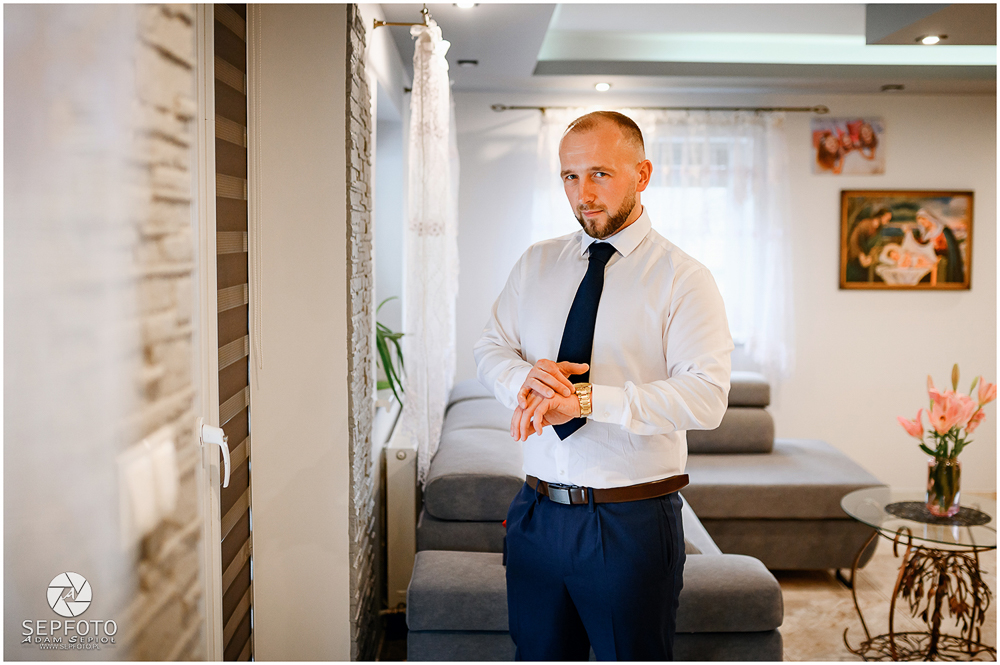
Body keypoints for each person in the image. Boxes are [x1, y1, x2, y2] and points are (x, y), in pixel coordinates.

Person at [473, 111, 733, 660]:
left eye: (599, 174)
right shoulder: (536, 263)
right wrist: (525, 378)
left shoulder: (684, 279)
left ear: (643, 174)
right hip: (535, 513)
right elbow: (490, 347)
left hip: (630, 523)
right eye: (570, 176)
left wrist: (586, 400)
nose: (583, 194)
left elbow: (706, 397)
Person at [845, 206, 891, 282]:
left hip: (867, 261)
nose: (887, 221)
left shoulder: (878, 229)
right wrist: (861, 255)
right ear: (881, 216)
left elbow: (876, 246)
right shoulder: (865, 224)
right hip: (855, 260)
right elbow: (854, 240)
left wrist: (870, 257)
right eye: (887, 219)